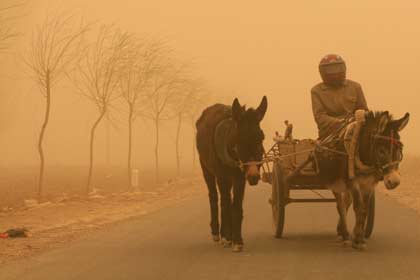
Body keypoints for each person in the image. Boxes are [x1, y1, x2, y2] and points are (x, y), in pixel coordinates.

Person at [311, 54, 368, 139]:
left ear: (344, 68)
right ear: (322, 72)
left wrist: (356, 121)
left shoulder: (355, 87)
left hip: (356, 131)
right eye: (330, 70)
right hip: (330, 136)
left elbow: (364, 110)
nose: (334, 73)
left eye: (337, 68)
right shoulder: (316, 91)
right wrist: (341, 123)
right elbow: (320, 117)